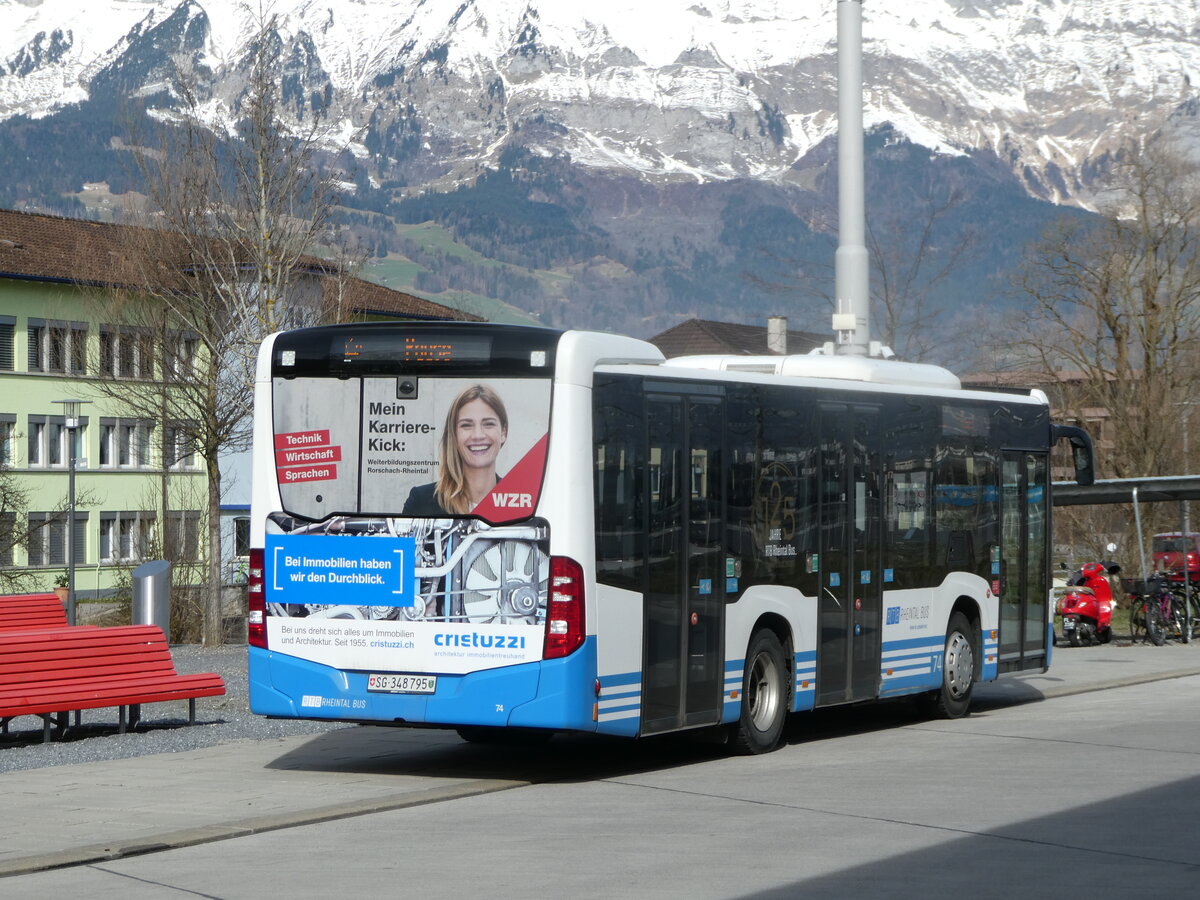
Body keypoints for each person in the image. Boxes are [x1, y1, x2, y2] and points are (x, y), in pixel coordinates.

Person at [403, 383, 508, 516]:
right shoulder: (421, 501)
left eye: (488, 424)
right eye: (466, 425)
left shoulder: (524, 501)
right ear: (453, 434)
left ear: (503, 432)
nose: (477, 435)